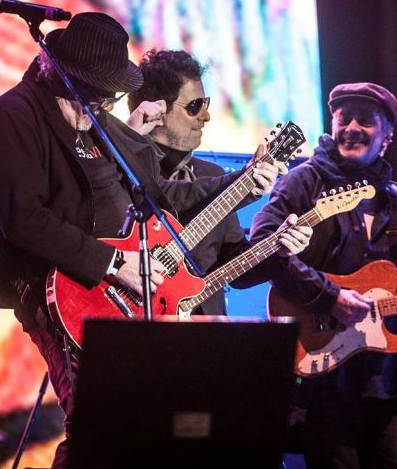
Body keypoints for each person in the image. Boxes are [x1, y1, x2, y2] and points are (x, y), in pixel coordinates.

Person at [0, 13, 308, 469]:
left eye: (109, 94)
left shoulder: (94, 120)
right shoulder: (15, 116)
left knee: (140, 426)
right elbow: (22, 218)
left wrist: (244, 184)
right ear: (65, 76)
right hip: (60, 293)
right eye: (99, 92)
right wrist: (115, 263)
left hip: (119, 294)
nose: (104, 103)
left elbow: (158, 196)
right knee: (99, 425)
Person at [251, 82, 397, 469]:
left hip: (388, 385)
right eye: (344, 118)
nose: (352, 127)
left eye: (365, 121)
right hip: (325, 382)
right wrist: (329, 296)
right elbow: (262, 246)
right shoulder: (304, 183)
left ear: (386, 136)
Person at [126, 49, 301, 314]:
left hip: (205, 335)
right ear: (157, 111)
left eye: (205, 104)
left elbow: (235, 270)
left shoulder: (211, 174)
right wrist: (239, 183)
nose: (206, 117)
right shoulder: (124, 171)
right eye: (194, 106)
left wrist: (278, 249)